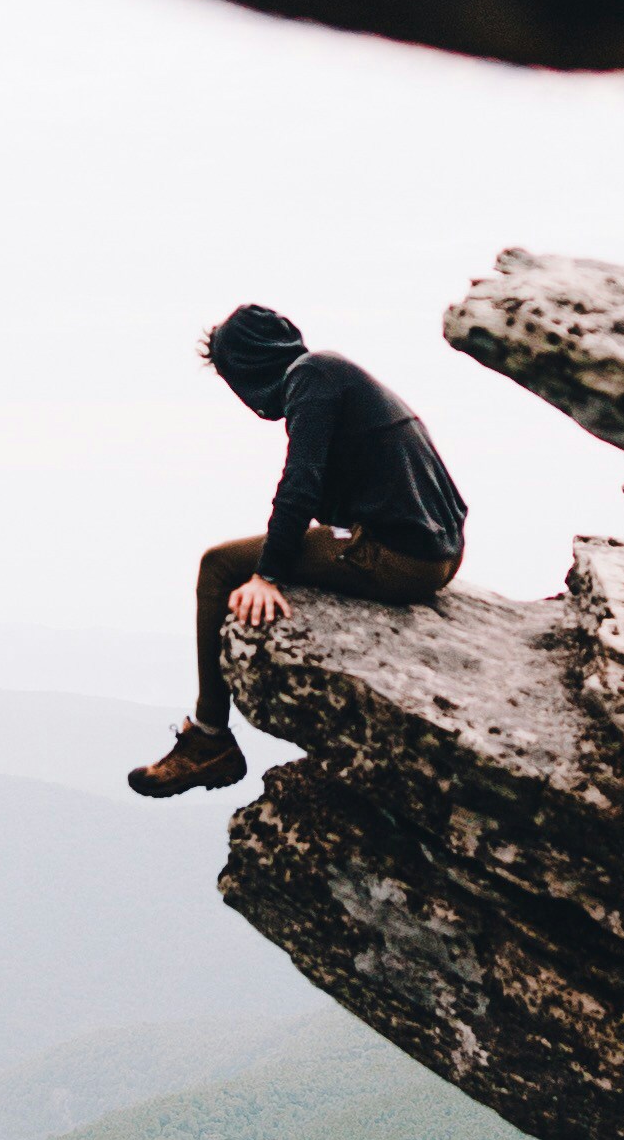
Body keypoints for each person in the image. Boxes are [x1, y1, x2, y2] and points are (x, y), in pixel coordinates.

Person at [126, 304, 468, 795]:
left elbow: (300, 485)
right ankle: (209, 736)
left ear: (246, 365)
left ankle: (209, 738)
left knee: (218, 565)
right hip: (440, 549)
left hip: (402, 558)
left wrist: (267, 574)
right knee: (243, 557)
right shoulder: (330, 374)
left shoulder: (311, 377)